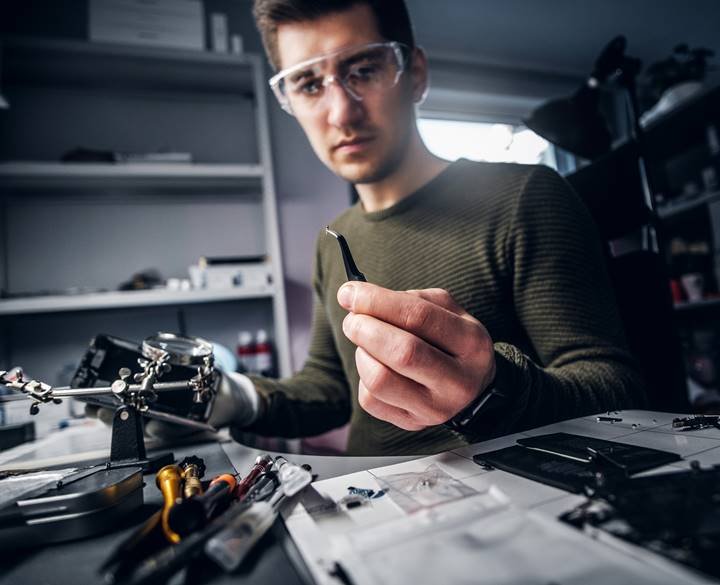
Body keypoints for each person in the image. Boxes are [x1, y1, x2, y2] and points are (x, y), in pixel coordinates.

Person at [213, 0, 645, 455]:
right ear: (290, 100)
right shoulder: (333, 239)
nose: (341, 113)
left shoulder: (526, 196)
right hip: (366, 506)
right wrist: (234, 397)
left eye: (363, 69)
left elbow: (619, 392)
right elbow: (330, 390)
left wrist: (492, 394)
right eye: (307, 83)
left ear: (414, 73)